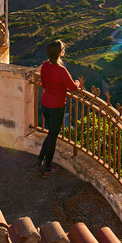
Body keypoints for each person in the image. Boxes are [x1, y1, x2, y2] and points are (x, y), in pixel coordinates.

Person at [34, 39, 80, 176]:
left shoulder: (45, 66)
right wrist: (77, 82)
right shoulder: (61, 70)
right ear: (61, 53)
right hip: (57, 106)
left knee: (50, 134)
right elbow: (72, 88)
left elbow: (44, 84)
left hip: (45, 103)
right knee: (53, 137)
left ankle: (38, 162)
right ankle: (47, 168)